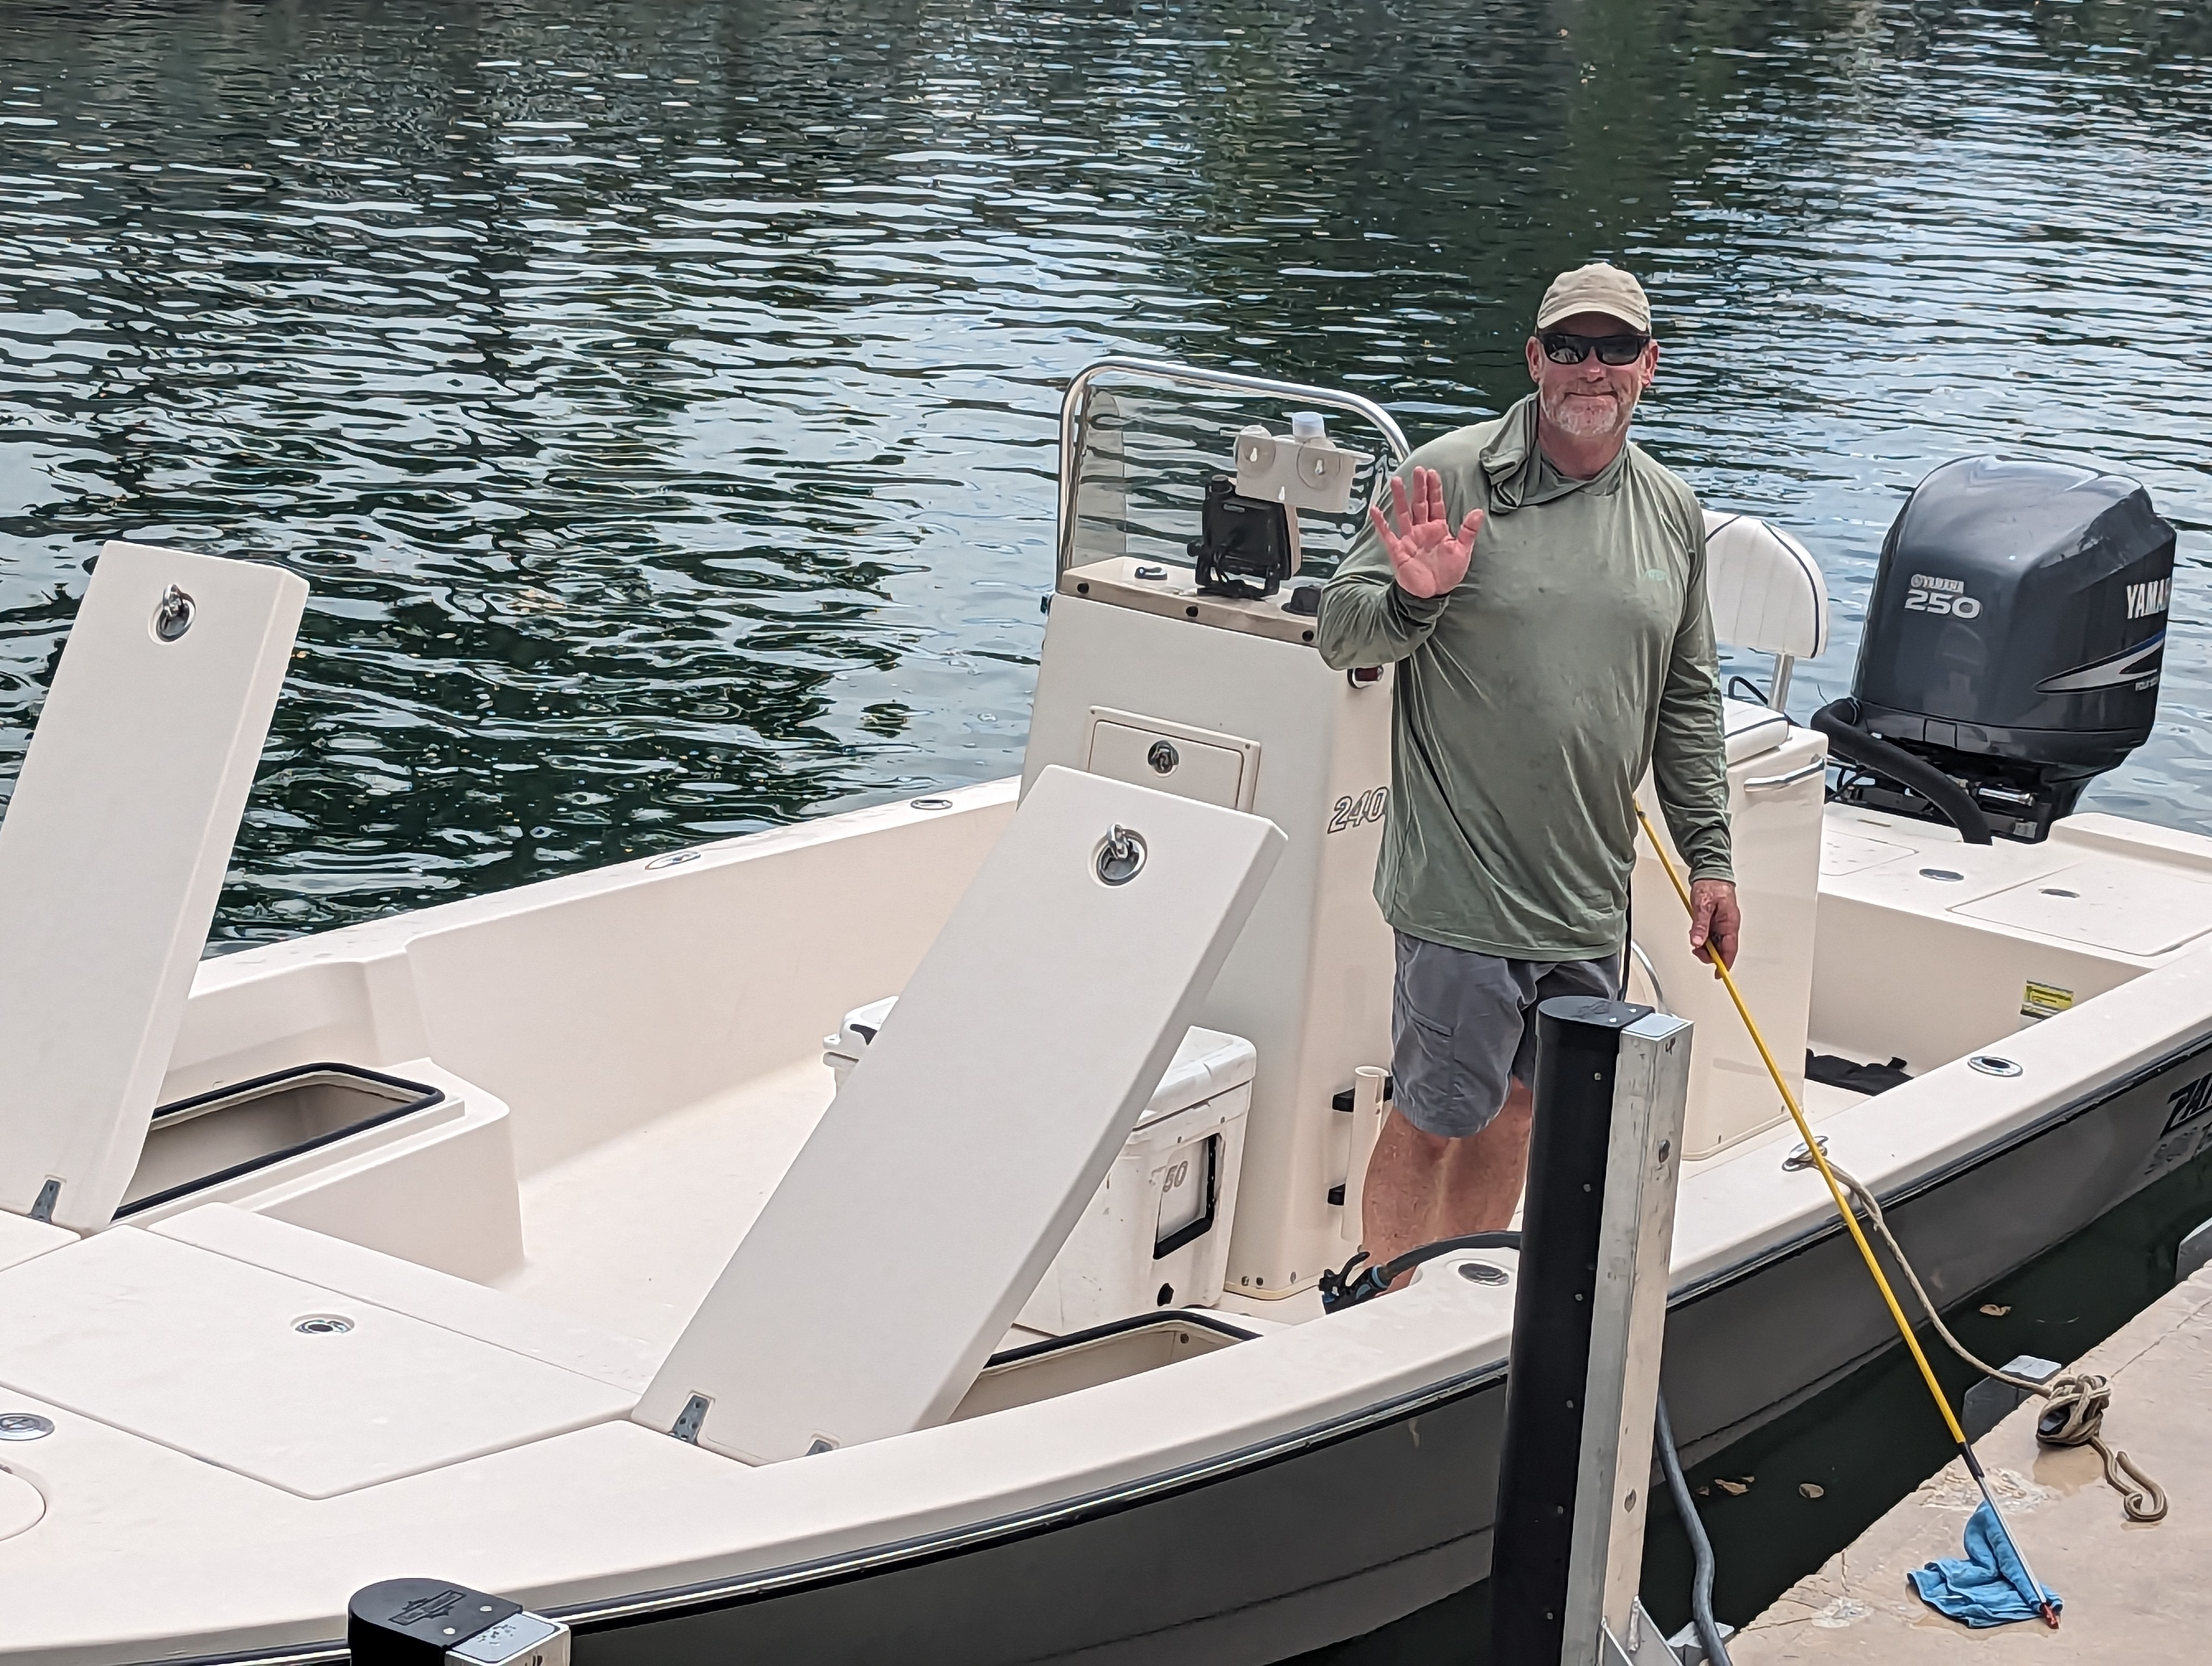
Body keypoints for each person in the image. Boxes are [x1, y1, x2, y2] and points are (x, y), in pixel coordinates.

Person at [1316, 260, 1739, 1274]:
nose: (1590, 371)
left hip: (1588, 896)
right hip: (1461, 888)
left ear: (1650, 366)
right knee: (1433, 1112)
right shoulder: (1451, 475)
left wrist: (1710, 856)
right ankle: (1380, 1312)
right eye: (1569, 348)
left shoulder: (1672, 511)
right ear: (1534, 359)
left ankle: (1455, 1304)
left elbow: (1686, 698)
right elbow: (1339, 633)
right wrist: (1416, 601)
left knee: (1522, 1105)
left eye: (1614, 350)